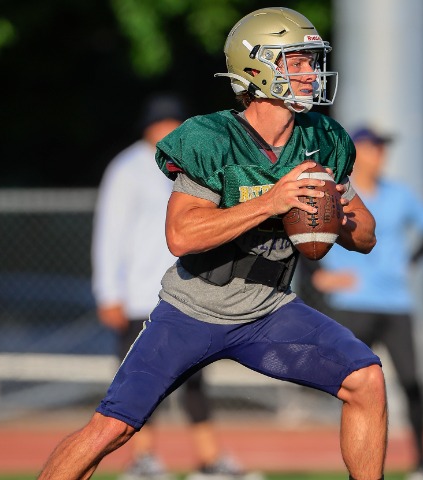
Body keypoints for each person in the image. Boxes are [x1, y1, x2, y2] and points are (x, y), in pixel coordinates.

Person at [38, 7, 388, 480]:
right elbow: (181, 235)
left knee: (366, 379)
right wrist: (272, 201)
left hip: (269, 310)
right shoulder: (213, 138)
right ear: (257, 67)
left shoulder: (321, 140)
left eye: (312, 61)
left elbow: (366, 237)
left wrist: (333, 213)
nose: (311, 72)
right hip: (193, 311)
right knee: (112, 428)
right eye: (297, 61)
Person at [92, 93, 247, 480]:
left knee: (195, 378)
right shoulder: (127, 168)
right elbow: (109, 233)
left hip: (188, 291)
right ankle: (142, 459)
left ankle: (209, 460)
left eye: (173, 123)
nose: (167, 130)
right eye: (160, 124)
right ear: (147, 128)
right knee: (140, 380)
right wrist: (108, 292)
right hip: (139, 295)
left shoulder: (194, 164)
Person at [311, 126, 423, 480]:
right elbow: (303, 233)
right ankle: (350, 462)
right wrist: (317, 277)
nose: (381, 154)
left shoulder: (399, 194)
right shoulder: (337, 192)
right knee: (349, 384)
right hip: (351, 302)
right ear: (356, 151)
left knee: (412, 382)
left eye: (384, 148)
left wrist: (412, 261)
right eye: (374, 147)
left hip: (395, 303)